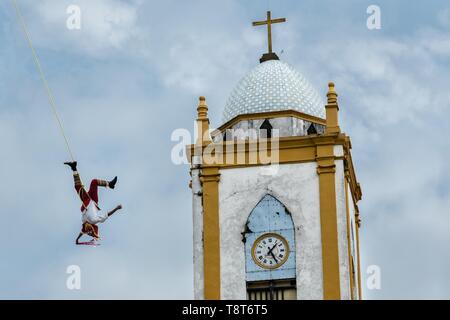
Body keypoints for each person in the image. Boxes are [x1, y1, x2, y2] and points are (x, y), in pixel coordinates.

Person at [64, 161, 122, 244]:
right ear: (91, 226)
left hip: (86, 201)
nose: (87, 228)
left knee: (78, 187)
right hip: (93, 201)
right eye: (89, 228)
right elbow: (107, 214)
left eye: (86, 229)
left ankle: (74, 168)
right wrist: (116, 208)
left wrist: (77, 239)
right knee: (94, 182)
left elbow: (81, 232)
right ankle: (110, 184)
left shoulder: (84, 224)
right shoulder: (94, 220)